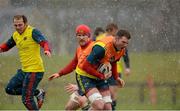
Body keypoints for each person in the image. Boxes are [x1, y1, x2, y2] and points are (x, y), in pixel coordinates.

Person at [0, 15, 51, 110]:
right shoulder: (15, 35)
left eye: (20, 25)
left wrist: (47, 50)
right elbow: (6, 46)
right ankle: (38, 93)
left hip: (35, 70)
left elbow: (44, 42)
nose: (18, 27)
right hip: (24, 71)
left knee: (27, 99)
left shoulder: (33, 32)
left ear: (25, 24)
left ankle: (34, 93)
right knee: (9, 89)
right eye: (16, 25)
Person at [75, 29, 131, 110]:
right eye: (123, 42)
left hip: (99, 76)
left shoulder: (121, 49)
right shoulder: (101, 48)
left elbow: (113, 61)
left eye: (127, 43)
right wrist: (101, 76)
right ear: (116, 38)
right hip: (84, 75)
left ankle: (84, 105)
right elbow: (85, 66)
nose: (125, 45)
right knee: (99, 105)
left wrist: (116, 78)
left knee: (108, 108)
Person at [48, 24, 92, 110]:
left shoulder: (93, 48)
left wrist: (81, 87)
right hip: (83, 86)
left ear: (89, 37)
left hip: (93, 86)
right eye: (79, 35)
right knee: (69, 108)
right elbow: (74, 63)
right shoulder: (79, 48)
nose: (81, 38)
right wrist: (59, 73)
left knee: (85, 103)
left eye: (84, 35)